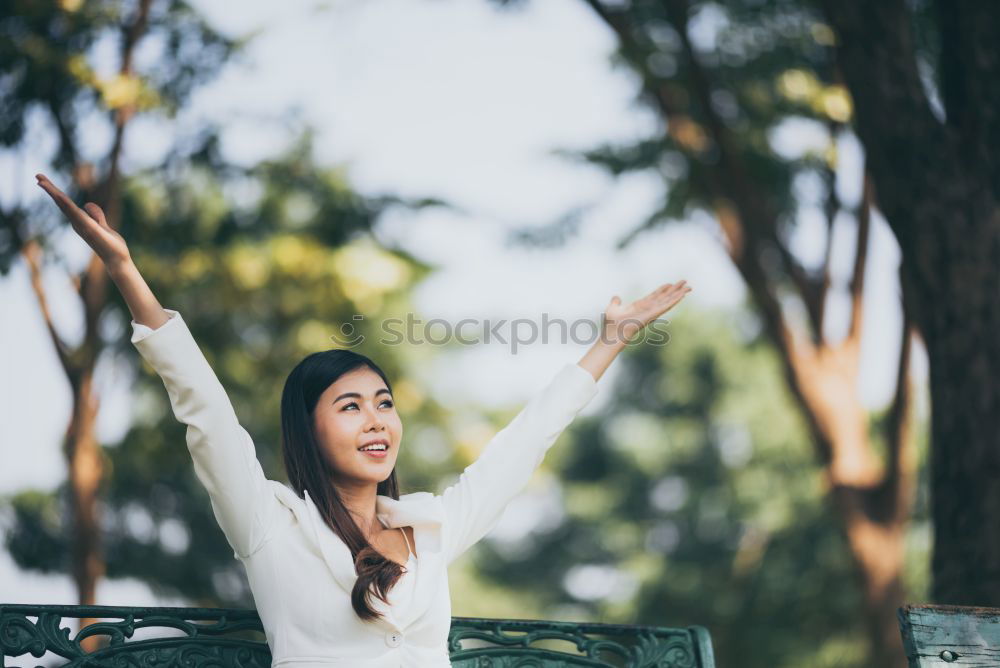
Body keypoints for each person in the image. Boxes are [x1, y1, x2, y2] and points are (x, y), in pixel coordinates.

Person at [35, 172, 692, 668]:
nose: (377, 420)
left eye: (384, 403)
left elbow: (524, 443)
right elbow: (203, 407)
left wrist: (610, 341)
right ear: (308, 431)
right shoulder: (268, 523)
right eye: (350, 407)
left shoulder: (432, 529)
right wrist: (124, 269)